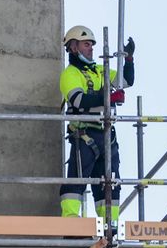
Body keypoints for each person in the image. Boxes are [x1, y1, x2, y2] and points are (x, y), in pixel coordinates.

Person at [58, 26, 136, 222]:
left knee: (110, 183)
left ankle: (110, 224)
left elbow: (126, 81)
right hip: (84, 135)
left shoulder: (100, 70)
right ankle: (70, 220)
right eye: (87, 44)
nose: (91, 48)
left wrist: (128, 59)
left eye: (92, 44)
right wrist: (108, 97)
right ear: (74, 47)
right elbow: (78, 101)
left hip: (106, 135)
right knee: (78, 179)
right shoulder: (70, 74)